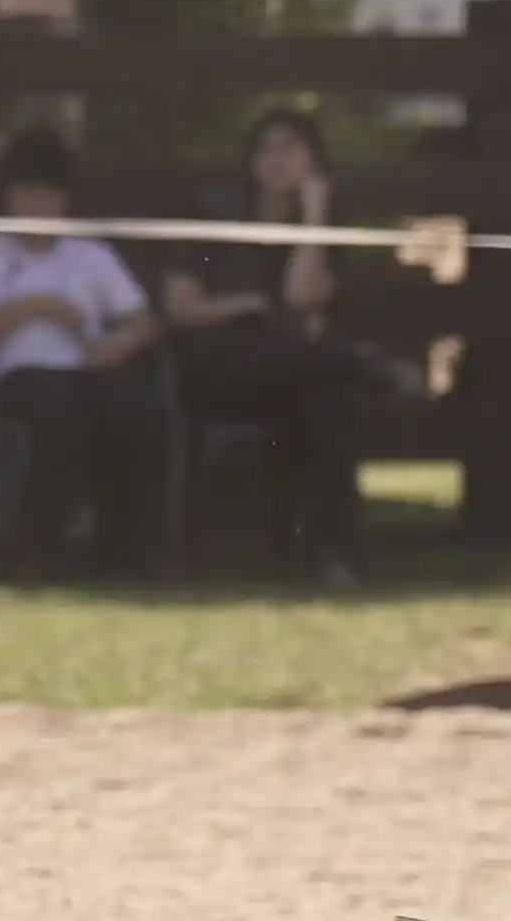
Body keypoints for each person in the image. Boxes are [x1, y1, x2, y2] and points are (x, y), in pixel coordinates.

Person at [158, 104, 379, 587]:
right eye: (265, 149)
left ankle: (330, 556)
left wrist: (315, 215)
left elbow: (302, 296)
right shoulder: (215, 218)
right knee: (326, 374)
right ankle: (341, 553)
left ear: (314, 162)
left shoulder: (324, 229)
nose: (275, 160)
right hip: (217, 367)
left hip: (290, 376)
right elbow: (179, 308)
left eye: (290, 148)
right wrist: (247, 305)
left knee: (324, 400)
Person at [0, 126, 166, 579]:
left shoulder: (91, 256)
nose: (36, 208)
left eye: (47, 196)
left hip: (89, 372)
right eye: (26, 195)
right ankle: (35, 549)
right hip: (18, 378)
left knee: (140, 410)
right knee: (59, 411)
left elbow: (144, 321)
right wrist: (37, 306)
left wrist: (119, 345)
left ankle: (127, 550)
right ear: (8, 197)